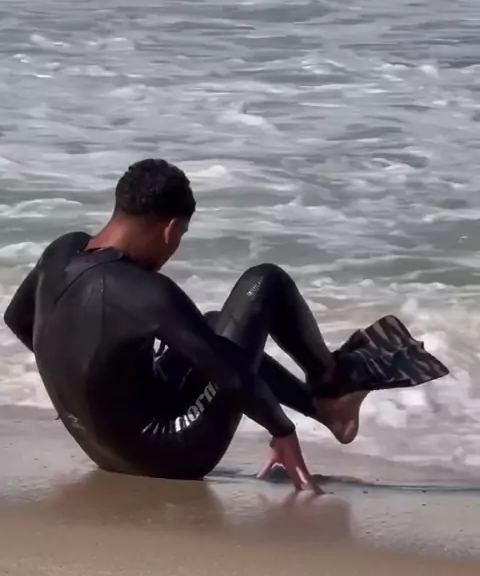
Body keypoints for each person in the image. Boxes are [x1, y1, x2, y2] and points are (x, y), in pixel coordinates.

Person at [3, 158, 448, 491]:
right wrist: (282, 430)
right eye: (180, 237)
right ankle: (331, 385)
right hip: (168, 457)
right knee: (265, 283)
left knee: (215, 326)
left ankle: (326, 406)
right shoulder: (144, 291)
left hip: (103, 451)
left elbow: (19, 319)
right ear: (171, 229)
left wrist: (78, 389)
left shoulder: (61, 251)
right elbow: (232, 375)